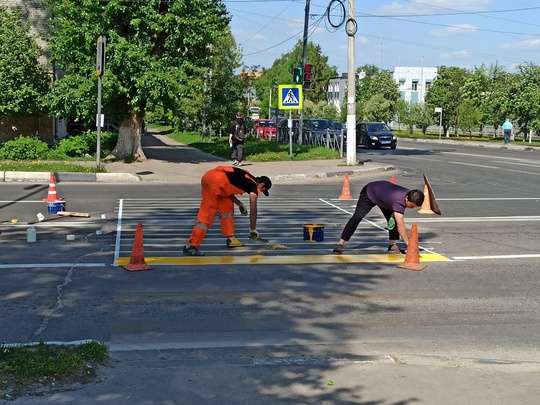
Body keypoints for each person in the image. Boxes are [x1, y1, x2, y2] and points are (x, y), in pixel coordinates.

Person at [183, 166, 272, 256]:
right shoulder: (253, 186)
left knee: (227, 208)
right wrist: (253, 229)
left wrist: (239, 203)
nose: (259, 192)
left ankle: (231, 239)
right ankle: (191, 246)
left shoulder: (247, 175)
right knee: (207, 214)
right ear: (261, 185)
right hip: (214, 182)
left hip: (216, 180)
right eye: (262, 190)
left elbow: (228, 186)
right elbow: (253, 209)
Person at [332, 180, 424, 255]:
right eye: (411, 206)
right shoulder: (398, 201)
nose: (410, 208)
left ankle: (392, 245)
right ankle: (340, 243)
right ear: (406, 198)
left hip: (385, 198)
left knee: (393, 220)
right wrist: (409, 245)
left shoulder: (411, 195)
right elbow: (401, 226)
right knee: (357, 217)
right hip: (370, 192)